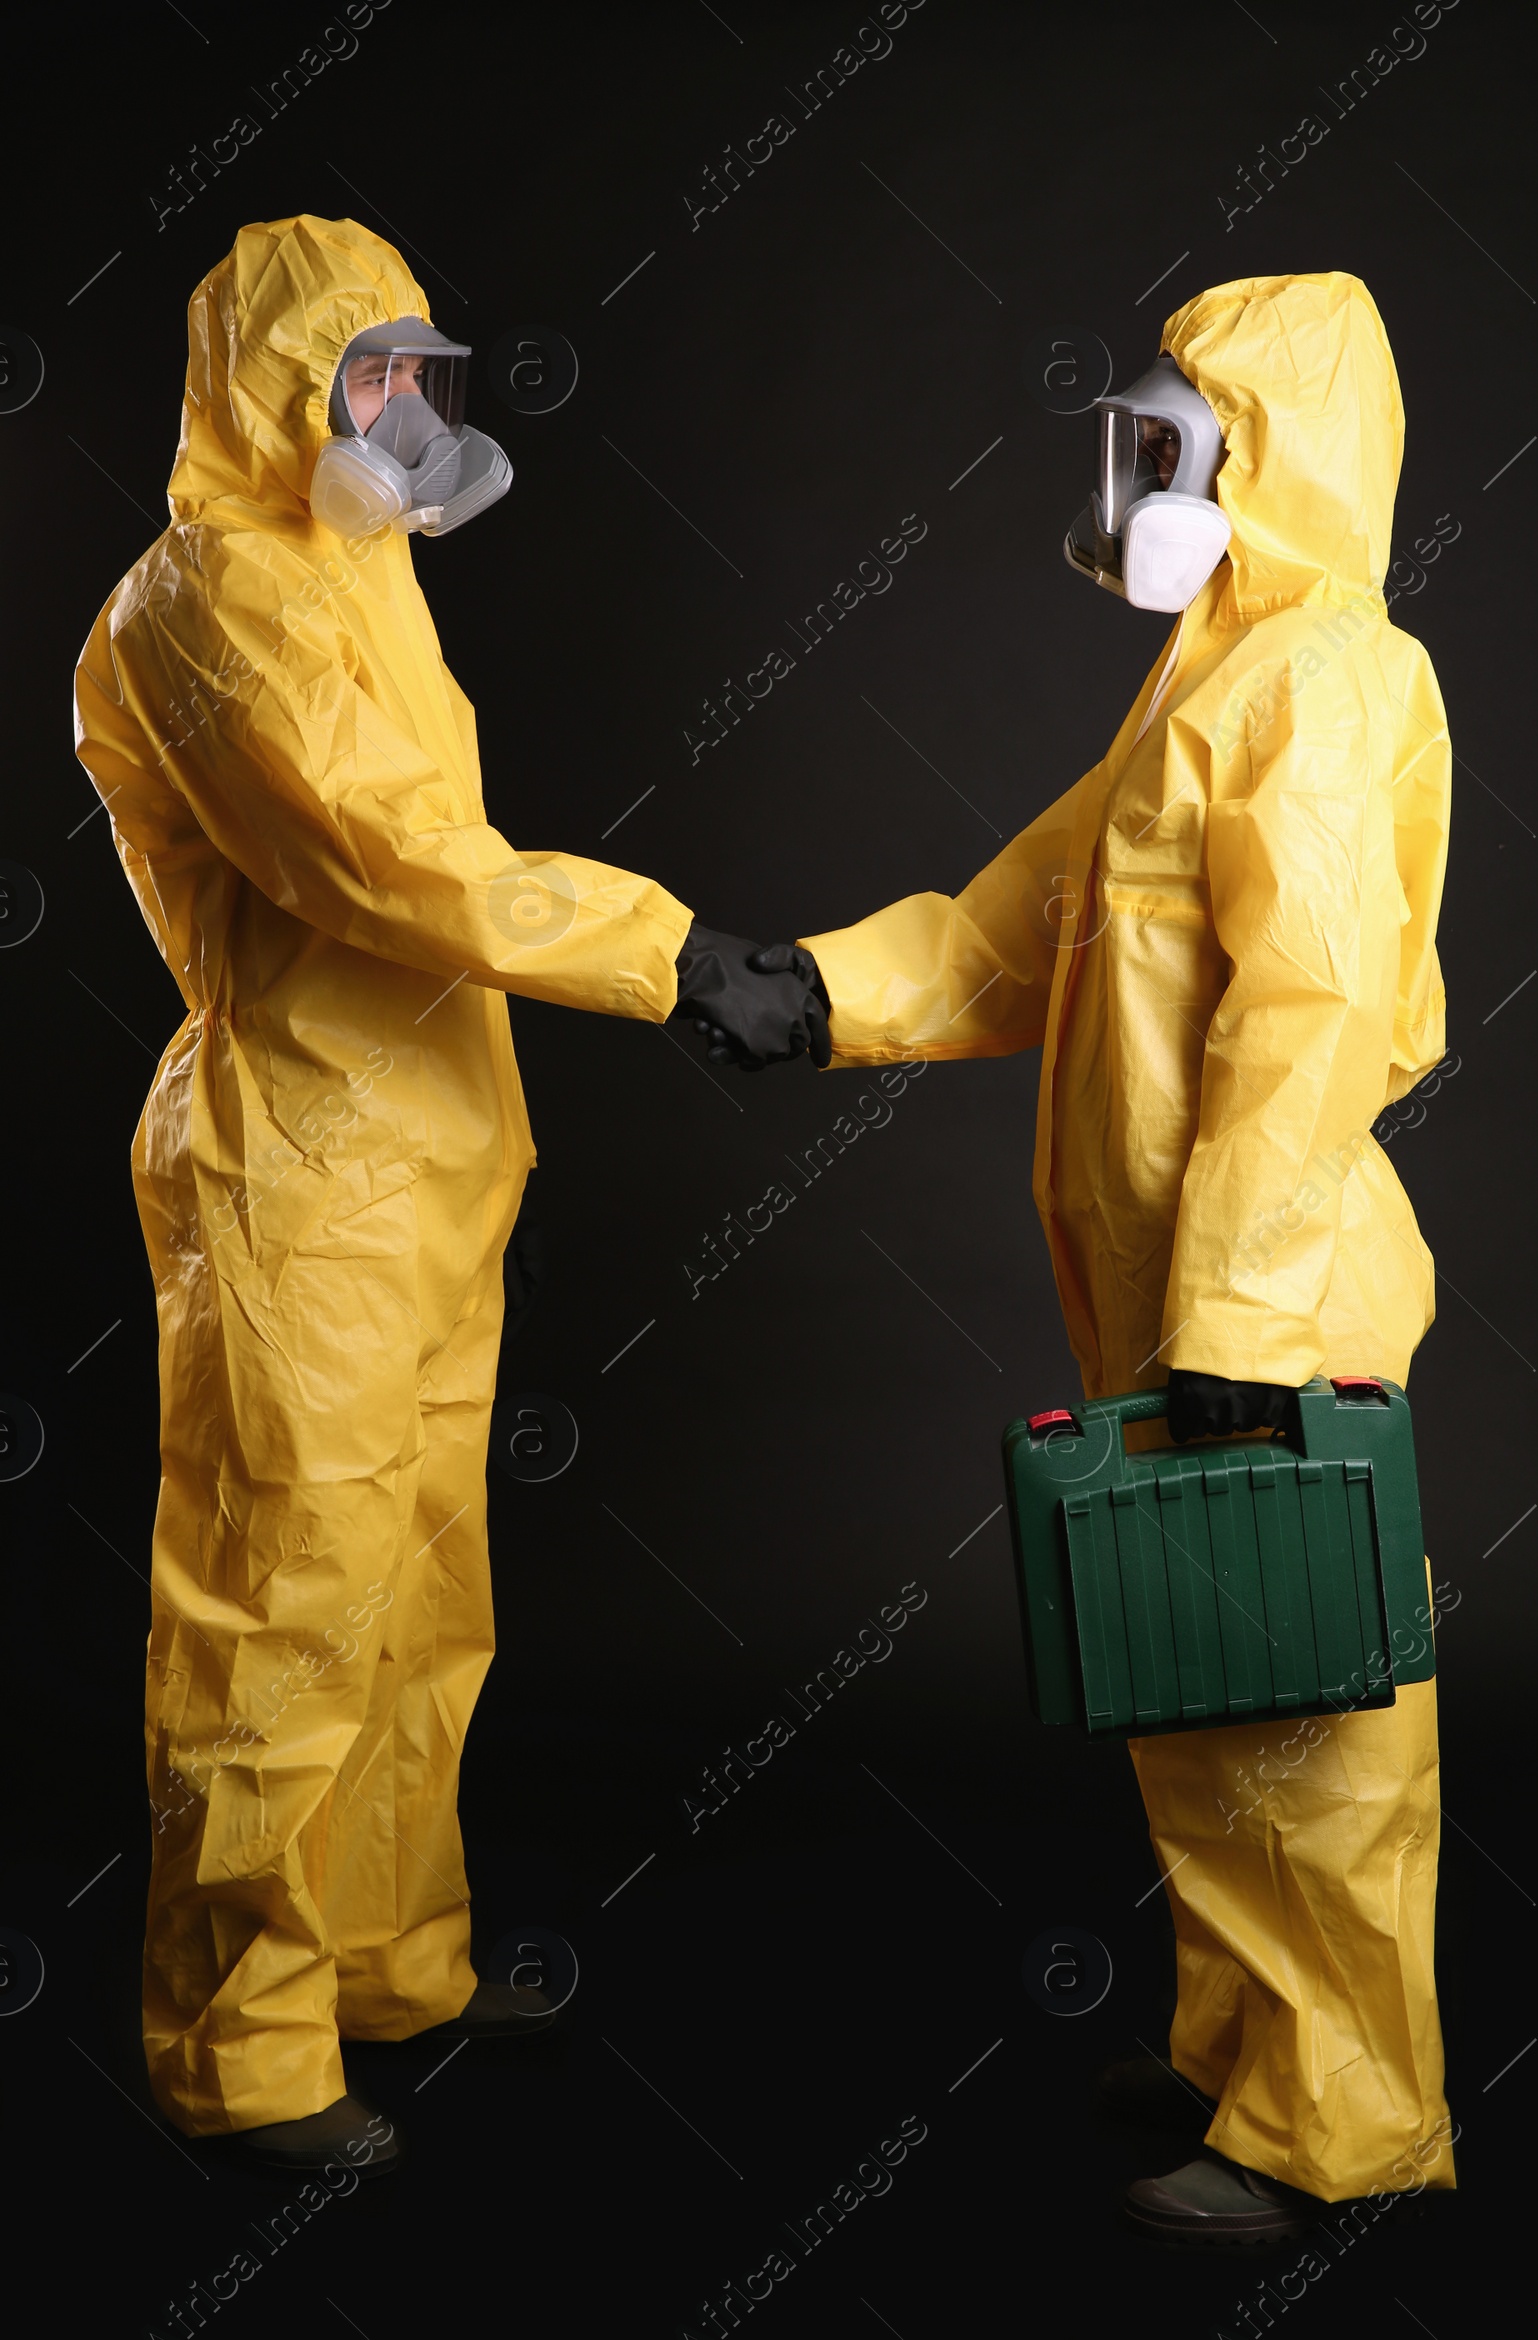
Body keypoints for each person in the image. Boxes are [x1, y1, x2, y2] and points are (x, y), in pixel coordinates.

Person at [72, 213, 821, 2172]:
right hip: (300, 1178)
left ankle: (387, 1965)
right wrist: (672, 952)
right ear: (270, 391)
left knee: (417, 1602)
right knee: (277, 1615)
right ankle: (240, 2054)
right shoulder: (208, 599)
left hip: (429, 1161)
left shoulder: (356, 569)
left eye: (422, 374)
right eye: (363, 378)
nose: (405, 417)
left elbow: (434, 856)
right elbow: (389, 862)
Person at [740, 272, 1456, 2241]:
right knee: (1203, 1684)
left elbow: (1304, 1015)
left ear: (1266, 454)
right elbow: (1016, 925)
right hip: (1166, 1280)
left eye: (1160, 445)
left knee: (1305, 1721)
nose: (1123, 482)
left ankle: (1344, 2125)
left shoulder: (1316, 675)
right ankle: (1242, 2056)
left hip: (1266, 1286)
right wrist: (815, 996)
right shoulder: (1205, 675)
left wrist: (1229, 1316)